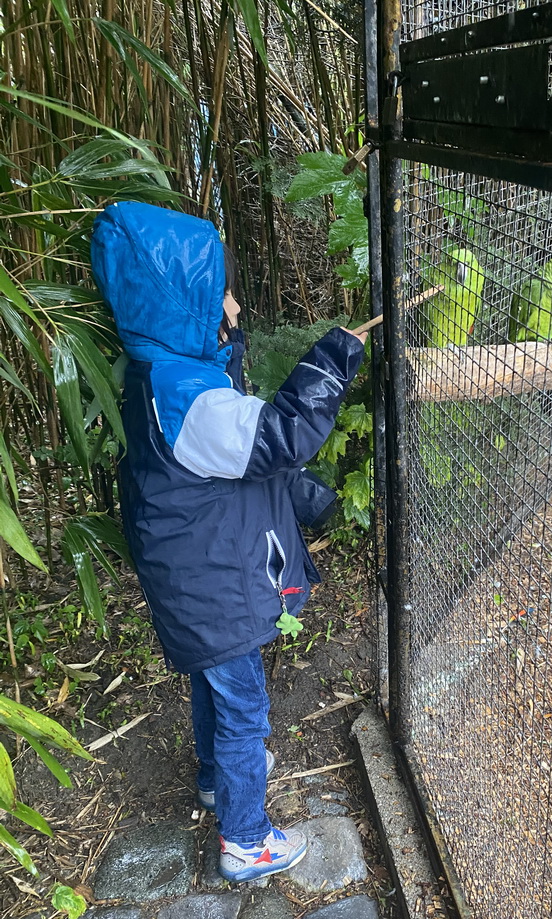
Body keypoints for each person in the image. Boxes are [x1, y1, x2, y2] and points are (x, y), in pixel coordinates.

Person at [91, 201, 366, 881]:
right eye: (222, 296)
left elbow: (227, 442)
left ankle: (217, 781)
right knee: (245, 706)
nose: (236, 305)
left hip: (192, 572)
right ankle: (245, 838)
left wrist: (226, 345)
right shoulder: (193, 399)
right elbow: (278, 438)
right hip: (213, 580)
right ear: (187, 307)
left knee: (217, 683)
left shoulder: (161, 372)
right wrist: (332, 360)